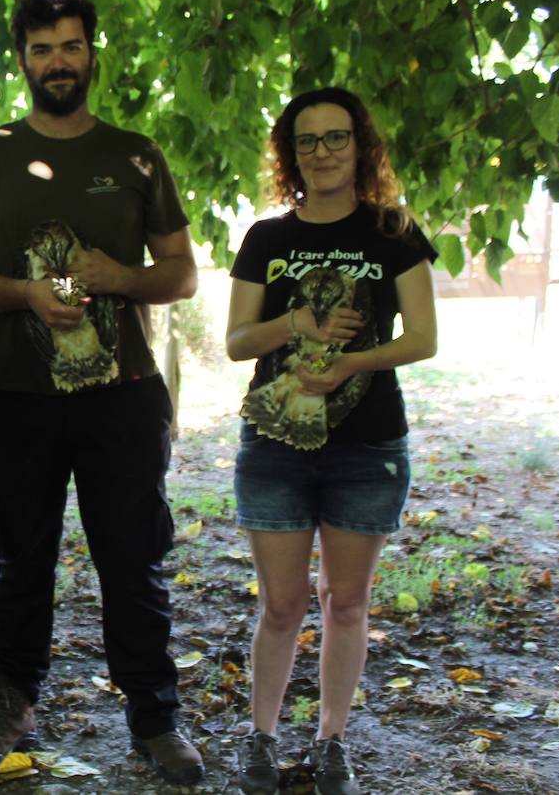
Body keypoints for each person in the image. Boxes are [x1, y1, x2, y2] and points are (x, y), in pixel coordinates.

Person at [0, 0, 203, 785]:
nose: (58, 61)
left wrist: (119, 276)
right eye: (42, 48)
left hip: (121, 392)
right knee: (23, 556)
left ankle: (154, 718)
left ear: (93, 54)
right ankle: (12, 701)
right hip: (16, 393)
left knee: (133, 556)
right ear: (21, 59)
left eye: (72, 46)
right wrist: (26, 296)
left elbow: (183, 274)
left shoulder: (136, 155)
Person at [225, 87, 438, 795]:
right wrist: (300, 327)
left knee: (346, 603)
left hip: (367, 446)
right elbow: (235, 342)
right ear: (291, 154)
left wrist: (348, 362)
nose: (322, 152)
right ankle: (260, 738)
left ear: (360, 145)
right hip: (276, 445)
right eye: (307, 140)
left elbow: (423, 340)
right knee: (282, 604)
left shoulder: (394, 233)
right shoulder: (267, 240)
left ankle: (331, 742)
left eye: (335, 137)